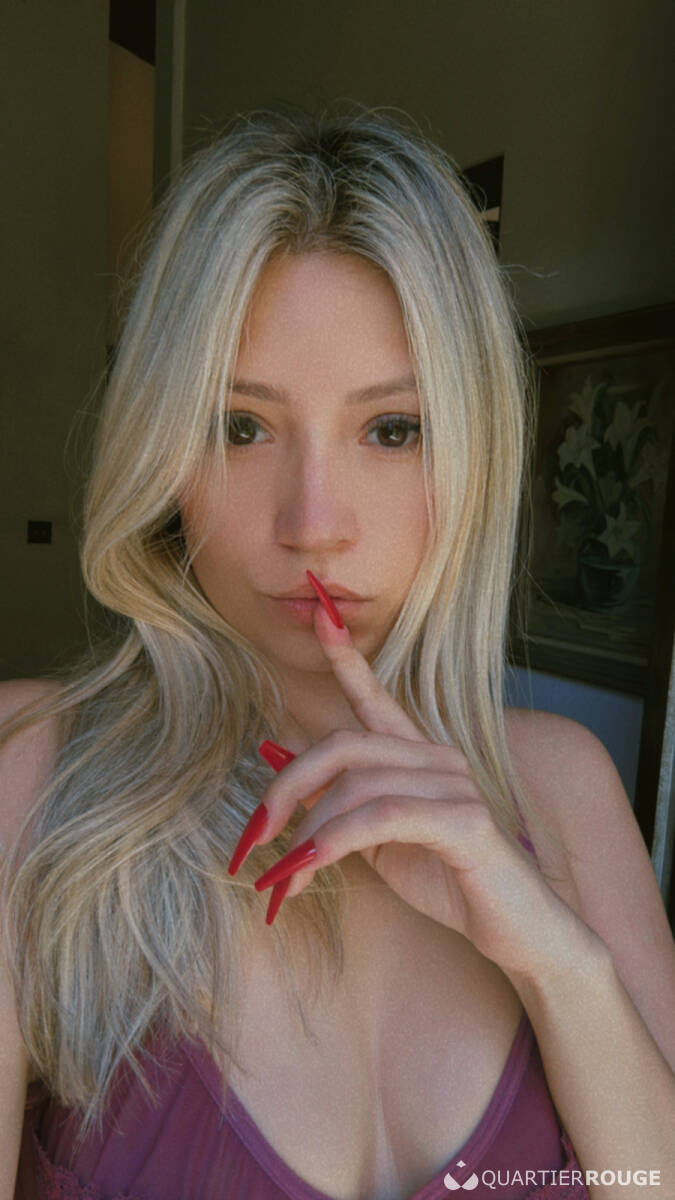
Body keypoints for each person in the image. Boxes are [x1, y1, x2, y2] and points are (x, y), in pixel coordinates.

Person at [1, 106, 673, 1200]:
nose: (313, 523)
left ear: (470, 450)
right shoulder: (30, 775)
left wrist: (556, 962)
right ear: (162, 453)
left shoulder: (563, 789)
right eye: (240, 426)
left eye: (392, 429)